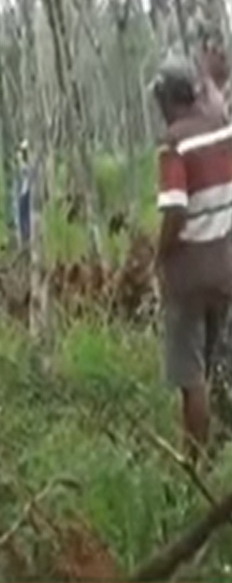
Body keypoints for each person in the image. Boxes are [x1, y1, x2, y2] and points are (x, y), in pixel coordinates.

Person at [152, 53, 232, 465]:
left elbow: (175, 209)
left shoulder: (174, 144)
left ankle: (196, 465)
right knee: (216, 362)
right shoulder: (220, 130)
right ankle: (218, 448)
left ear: (167, 98)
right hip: (224, 270)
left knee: (191, 377)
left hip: (188, 279)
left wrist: (160, 254)